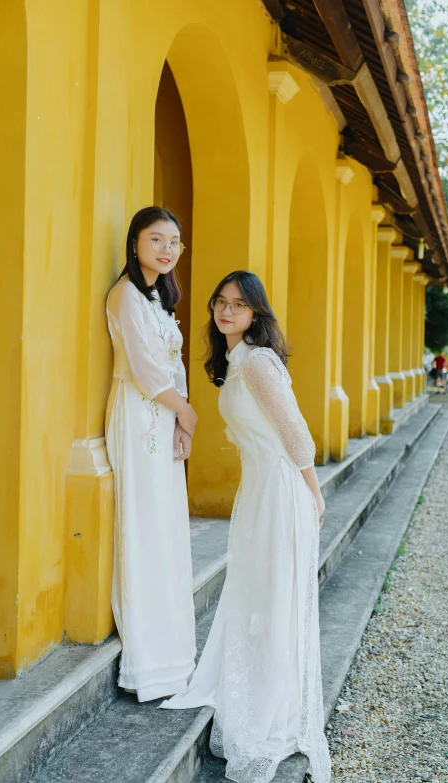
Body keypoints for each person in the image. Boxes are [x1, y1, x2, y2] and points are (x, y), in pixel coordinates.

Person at [161, 271, 331, 783]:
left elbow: (295, 433)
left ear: (256, 313)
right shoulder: (234, 363)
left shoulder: (257, 362)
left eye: (238, 304)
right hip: (257, 492)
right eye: (220, 302)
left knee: (273, 596)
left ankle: (272, 703)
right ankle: (253, 682)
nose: (226, 311)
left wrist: (314, 492)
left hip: (281, 490)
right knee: (256, 594)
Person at [105, 206, 197, 702]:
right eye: (156, 239)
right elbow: (142, 369)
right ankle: (148, 661)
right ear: (135, 242)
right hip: (138, 416)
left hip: (164, 415)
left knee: (167, 527)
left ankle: (174, 654)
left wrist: (182, 422)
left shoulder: (159, 299)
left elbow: (173, 363)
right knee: (142, 525)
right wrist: (185, 411)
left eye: (174, 242)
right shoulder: (124, 296)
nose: (166, 249)